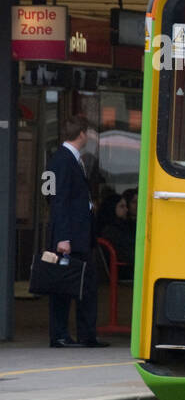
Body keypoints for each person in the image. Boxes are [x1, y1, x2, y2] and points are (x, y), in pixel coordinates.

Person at [46, 115, 107, 348]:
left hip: (78, 234)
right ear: (82, 134)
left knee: (86, 286)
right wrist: (62, 237)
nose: (90, 136)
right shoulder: (63, 160)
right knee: (63, 287)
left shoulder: (61, 159)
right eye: (89, 132)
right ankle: (60, 335)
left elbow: (48, 194)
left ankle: (86, 334)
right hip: (70, 236)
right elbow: (56, 200)